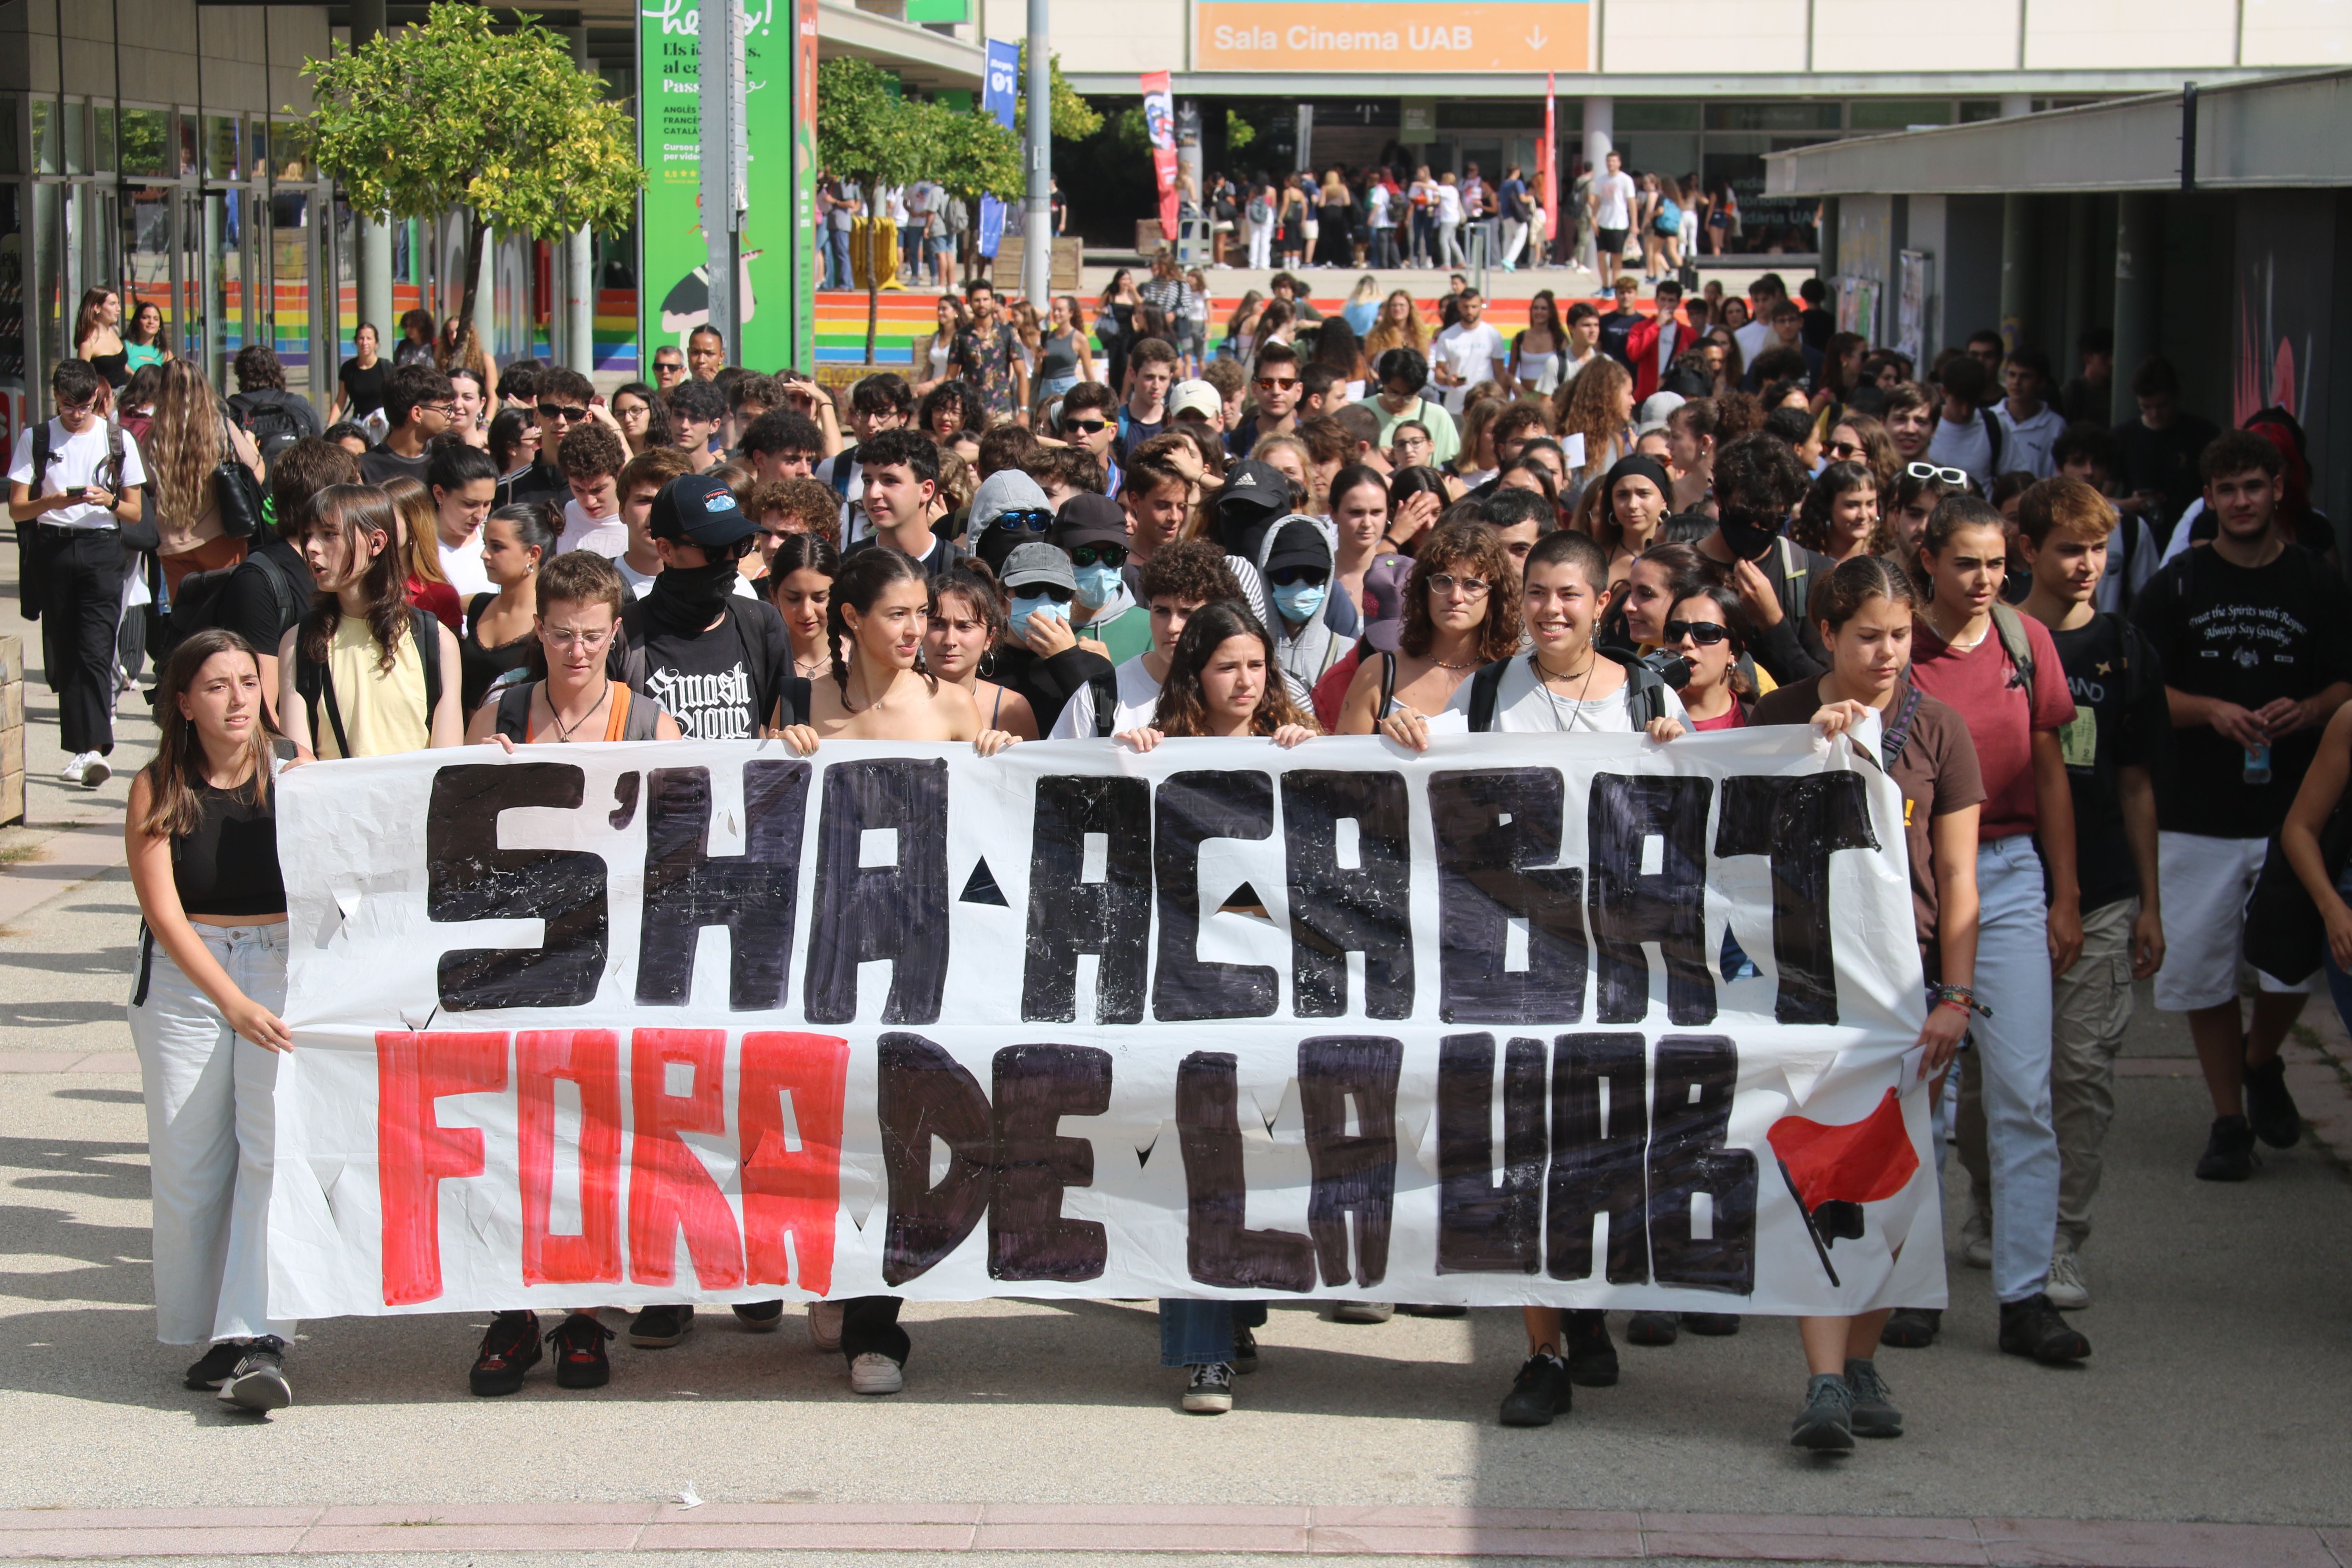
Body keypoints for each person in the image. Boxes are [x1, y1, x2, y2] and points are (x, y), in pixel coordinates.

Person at [1753, 556, 1983, 1452]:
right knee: (1823, 1176)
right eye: (1868, 637)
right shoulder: (1779, 715)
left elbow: (1959, 878)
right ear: (1827, 635)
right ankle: (1821, 1380)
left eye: (1899, 635)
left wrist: (1954, 995)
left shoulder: (1942, 731)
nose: (1888, 653)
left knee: (1898, 1182)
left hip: (1908, 990)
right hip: (1806, 984)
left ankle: (1859, 1357)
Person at [2131, 430, 2352, 1178]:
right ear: (2210, 498)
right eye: (2226, 490)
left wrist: (2314, 708)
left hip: (2297, 809)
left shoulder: (2317, 583)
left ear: (2279, 490)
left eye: (2254, 487)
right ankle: (2229, 1120)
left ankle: (2263, 1059)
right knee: (2202, 972)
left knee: (2293, 968)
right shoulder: (2179, 585)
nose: (2241, 502)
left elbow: (2346, 685)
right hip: (2199, 809)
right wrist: (2211, 711)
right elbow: (2144, 692)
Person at [1898, 495, 2087, 1365]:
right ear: (1928, 560)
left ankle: (2025, 1295)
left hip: (2009, 873)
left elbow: (2051, 769)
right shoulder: (1901, 642)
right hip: (1910, 881)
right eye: (1967, 563)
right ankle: (1915, 1287)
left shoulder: (2026, 640)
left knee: (2023, 1094)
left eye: (1996, 563)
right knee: (1921, 1098)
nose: (1985, 580)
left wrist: (2066, 892)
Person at [125, 630, 302, 1411]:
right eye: (217, 685)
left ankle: (258, 1332)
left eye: (246, 681)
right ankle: (215, 1331)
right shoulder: (157, 782)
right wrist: (230, 1001)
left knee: (272, 1148)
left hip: (281, 957)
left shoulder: (294, 767)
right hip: (188, 973)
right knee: (190, 1162)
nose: (238, 699)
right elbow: (163, 912)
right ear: (183, 701)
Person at [2005, 478, 2168, 1311]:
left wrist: (2150, 901)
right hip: (2000, 886)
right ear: (2027, 550)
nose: (2086, 564)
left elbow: (2137, 784)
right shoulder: (1995, 641)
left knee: (2080, 1073)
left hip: (2102, 890)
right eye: (2069, 547)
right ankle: (1995, 1210)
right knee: (1993, 1080)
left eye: (2098, 549)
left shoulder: (2128, 649)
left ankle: (2062, 1236)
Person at [9, 357, 147, 786]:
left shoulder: (117, 439)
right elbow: (17, 507)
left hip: (102, 550)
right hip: (53, 549)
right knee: (65, 650)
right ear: (55, 398)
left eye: (84, 405)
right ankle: (83, 749)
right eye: (68, 406)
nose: (75, 414)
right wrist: (50, 503)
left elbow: (135, 512)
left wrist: (105, 499)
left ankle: (92, 748)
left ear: (97, 399)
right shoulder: (36, 438)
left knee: (96, 647)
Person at [275, 485, 464, 758]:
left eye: (329, 534)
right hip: (334, 800)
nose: (311, 548)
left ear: (376, 542)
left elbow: (447, 766)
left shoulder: (436, 640)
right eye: (308, 536)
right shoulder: (298, 643)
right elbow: (298, 764)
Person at [1332, 521, 1521, 737]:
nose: (1456, 597)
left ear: (1494, 595)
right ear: (1424, 589)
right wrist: (1385, 744)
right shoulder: (1377, 673)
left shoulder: (1514, 675)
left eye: (1472, 585)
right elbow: (1345, 767)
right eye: (1443, 581)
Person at [1695, 433, 1828, 684]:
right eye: (1745, 516)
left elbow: (1824, 688)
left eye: (1771, 521)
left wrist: (1773, 623)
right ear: (1718, 497)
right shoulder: (1677, 568)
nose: (1757, 529)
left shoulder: (1813, 574)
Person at [144, 360, 265, 608]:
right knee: (227, 618)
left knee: (188, 623)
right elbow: (257, 474)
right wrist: (250, 442)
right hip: (219, 537)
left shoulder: (154, 434)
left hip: (172, 544)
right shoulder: (219, 427)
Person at [456, 502, 555, 713]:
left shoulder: (551, 620)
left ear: (533, 554)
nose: (485, 555)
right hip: (464, 742)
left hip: (516, 741)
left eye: (497, 547)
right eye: (485, 545)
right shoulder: (479, 606)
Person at [924, 560, 1038, 740]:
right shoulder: (892, 698)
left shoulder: (1011, 709)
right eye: (938, 624)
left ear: (989, 638)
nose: (950, 640)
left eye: (965, 627)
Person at [844, 427, 961, 579]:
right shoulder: (849, 566)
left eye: (890, 481)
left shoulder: (959, 570)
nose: (873, 493)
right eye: (868, 481)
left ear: (926, 490)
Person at [1662, 582, 1750, 730]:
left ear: (1733, 652)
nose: (1686, 642)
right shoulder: (1639, 717)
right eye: (1675, 632)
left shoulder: (1761, 721)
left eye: (1705, 633)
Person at [358, 364, 454, 486]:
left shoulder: (447, 462)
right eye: (446, 409)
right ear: (417, 413)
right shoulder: (365, 469)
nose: (452, 415)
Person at [1430, 289, 1506, 416]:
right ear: (1459, 306)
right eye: (1466, 307)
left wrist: (1503, 401)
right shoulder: (1447, 336)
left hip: (1485, 405)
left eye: (1474, 307)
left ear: (1481, 306)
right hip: (1455, 405)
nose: (1470, 311)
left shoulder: (1493, 335)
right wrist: (1449, 380)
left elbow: (1500, 374)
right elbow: (1439, 372)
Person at [1791, 460, 1884, 563]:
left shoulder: (1886, 557)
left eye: (1870, 504)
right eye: (1851, 506)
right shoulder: (1801, 559)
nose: (1863, 515)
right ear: (1827, 506)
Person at [1994, 351, 2065, 479]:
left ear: (2041, 381)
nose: (2016, 382)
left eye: (2025, 377)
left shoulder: (2056, 425)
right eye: (2012, 375)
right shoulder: (1989, 417)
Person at [330, 323, 388, 427]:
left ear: (376, 343)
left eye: (369, 339)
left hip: (382, 425)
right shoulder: (348, 368)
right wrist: (330, 424)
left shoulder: (386, 367)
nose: (365, 343)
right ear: (356, 342)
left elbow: (397, 400)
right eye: (361, 338)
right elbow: (340, 401)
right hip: (359, 424)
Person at [665, 378, 726, 476]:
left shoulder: (725, 479)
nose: (684, 426)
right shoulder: (651, 470)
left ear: (714, 426)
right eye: (679, 415)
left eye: (695, 418)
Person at [1587, 150, 1636, 272]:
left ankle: (1615, 285)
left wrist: (1634, 224)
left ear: (1619, 163)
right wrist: (1593, 218)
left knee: (1616, 256)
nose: (1611, 164)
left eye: (1614, 161)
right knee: (1601, 255)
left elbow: (1632, 202)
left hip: (1619, 223)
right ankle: (1605, 286)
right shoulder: (1601, 180)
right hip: (1603, 222)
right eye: (1609, 161)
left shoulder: (1626, 180)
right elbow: (1597, 200)